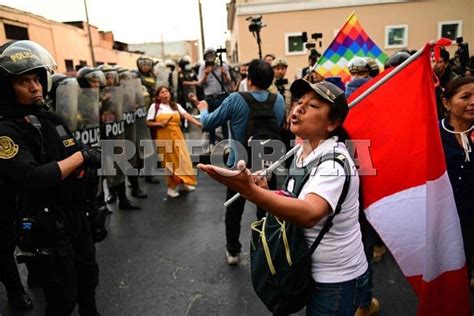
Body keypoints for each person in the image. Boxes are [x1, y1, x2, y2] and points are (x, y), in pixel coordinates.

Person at [199, 79, 368, 314]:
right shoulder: (302, 150)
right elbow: (295, 197)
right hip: (307, 269)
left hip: (335, 278)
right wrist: (266, 191)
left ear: (332, 123)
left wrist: (251, 192)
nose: (299, 108)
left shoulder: (334, 163)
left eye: (313, 106)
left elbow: (310, 213)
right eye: (300, 101)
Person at [0, 40, 101, 315]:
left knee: (88, 279)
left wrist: (93, 205)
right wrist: (83, 157)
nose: (35, 87)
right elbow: (33, 177)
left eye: (36, 79)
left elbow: (79, 153)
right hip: (46, 223)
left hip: (75, 216)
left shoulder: (51, 119)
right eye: (23, 82)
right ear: (6, 87)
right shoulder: (6, 131)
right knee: (63, 297)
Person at [197, 59, 285, 265]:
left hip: (239, 165)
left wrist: (202, 108)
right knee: (267, 207)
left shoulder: (236, 99)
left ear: (249, 78)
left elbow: (207, 122)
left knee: (234, 210)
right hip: (268, 164)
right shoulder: (279, 99)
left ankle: (233, 251)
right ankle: (266, 249)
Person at [440, 76, 474, 289]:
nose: (473, 102)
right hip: (443, 218)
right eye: (465, 97)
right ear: (446, 103)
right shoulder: (432, 133)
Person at [146, 86, 201, 198]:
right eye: (162, 92)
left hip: (178, 136)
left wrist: (198, 123)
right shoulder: (155, 107)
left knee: (183, 159)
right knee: (169, 163)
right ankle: (171, 187)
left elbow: (186, 115)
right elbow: (148, 123)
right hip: (163, 137)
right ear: (158, 96)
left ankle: (183, 182)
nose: (165, 94)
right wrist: (160, 124)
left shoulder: (176, 106)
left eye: (166, 91)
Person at [198, 47, 232, 148]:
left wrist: (224, 74)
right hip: (209, 97)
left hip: (221, 95)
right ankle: (212, 142)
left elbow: (228, 82)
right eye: (208, 56)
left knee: (224, 120)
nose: (210, 58)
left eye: (212, 55)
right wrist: (206, 75)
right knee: (211, 120)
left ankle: (226, 142)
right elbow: (200, 83)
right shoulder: (202, 67)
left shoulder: (223, 65)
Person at [136, 56, 161, 184]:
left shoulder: (153, 75)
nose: (145, 66)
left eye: (148, 63)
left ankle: (149, 171)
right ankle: (144, 171)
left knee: (151, 142)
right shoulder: (135, 76)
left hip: (151, 110)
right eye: (142, 63)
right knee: (143, 143)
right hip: (140, 112)